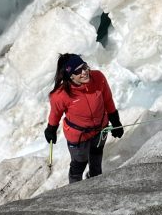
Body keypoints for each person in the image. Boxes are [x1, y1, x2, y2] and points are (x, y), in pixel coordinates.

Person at [44, 53, 124, 183]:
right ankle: (75, 191)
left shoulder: (98, 77)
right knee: (79, 164)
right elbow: (55, 113)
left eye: (85, 66)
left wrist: (116, 121)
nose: (85, 72)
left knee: (96, 160)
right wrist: (51, 129)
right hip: (78, 136)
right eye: (78, 71)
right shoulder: (60, 95)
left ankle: (96, 181)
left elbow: (108, 100)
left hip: (100, 129)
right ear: (70, 76)